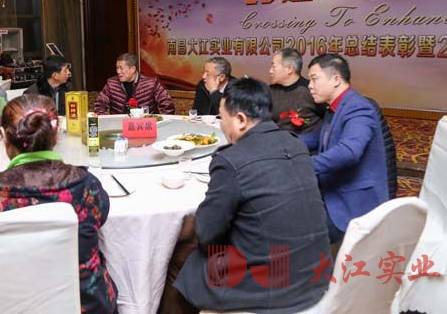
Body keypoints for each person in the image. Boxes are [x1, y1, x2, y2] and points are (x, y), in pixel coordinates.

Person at [162, 78, 331, 314]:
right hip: (316, 276)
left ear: (241, 120)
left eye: (222, 117)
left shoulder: (231, 160)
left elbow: (207, 235)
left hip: (272, 289)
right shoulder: (296, 145)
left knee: (181, 258)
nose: (221, 125)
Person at [0, 94, 117, 313]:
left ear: (4, 136)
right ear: (57, 134)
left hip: (10, 306)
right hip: (85, 304)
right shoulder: (86, 186)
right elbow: (102, 215)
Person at [301, 54, 388, 244]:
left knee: (295, 230)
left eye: (314, 79)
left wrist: (302, 165)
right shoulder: (336, 106)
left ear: (336, 79)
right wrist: (283, 143)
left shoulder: (358, 108)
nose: (310, 86)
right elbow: (318, 137)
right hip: (335, 188)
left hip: (353, 203)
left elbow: (349, 152)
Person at [94, 52, 174, 115]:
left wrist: (159, 123)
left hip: (145, 126)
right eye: (117, 68)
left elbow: (167, 104)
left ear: (132, 69)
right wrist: (108, 123)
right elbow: (99, 105)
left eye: (121, 68)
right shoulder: (111, 84)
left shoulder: (151, 83)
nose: (118, 72)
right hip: (119, 126)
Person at [269, 48, 325, 133]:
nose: (270, 71)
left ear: (289, 69)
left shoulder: (312, 90)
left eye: (274, 67)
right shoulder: (269, 91)